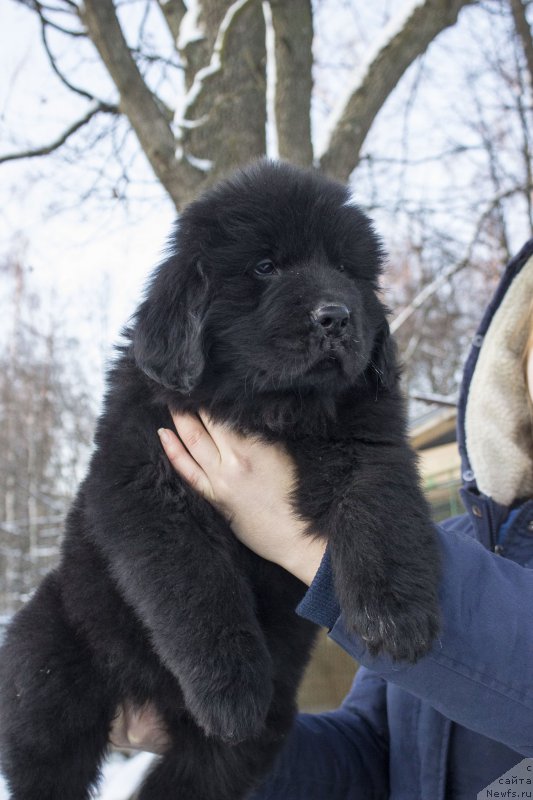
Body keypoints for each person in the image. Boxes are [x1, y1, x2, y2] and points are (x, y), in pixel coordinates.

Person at [111, 241, 533, 798]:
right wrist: (199, 733)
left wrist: (313, 535)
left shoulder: (419, 550)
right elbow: (370, 752)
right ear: (516, 356)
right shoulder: (458, 542)